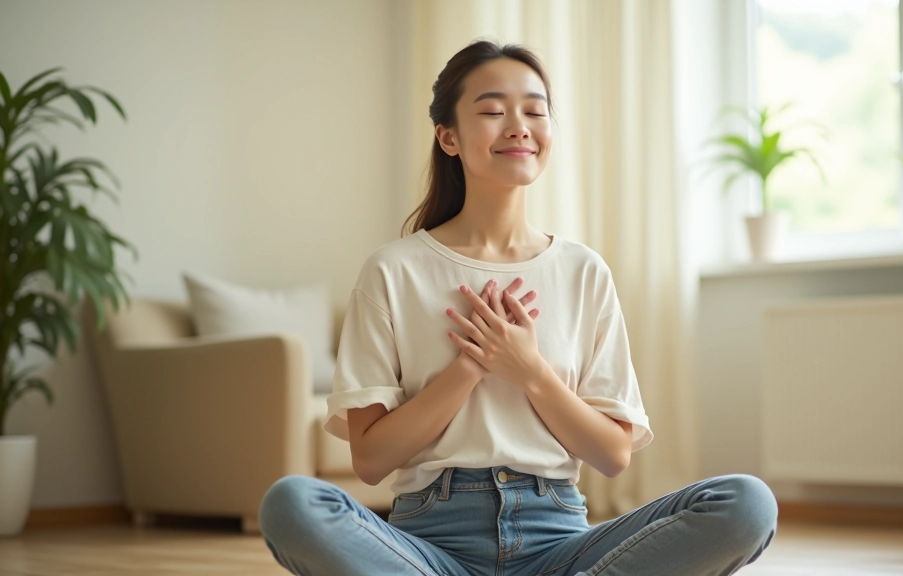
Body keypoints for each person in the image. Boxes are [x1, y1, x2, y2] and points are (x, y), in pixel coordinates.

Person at [258, 39, 777, 576]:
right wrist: (468, 369)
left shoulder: (583, 271)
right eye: (491, 110)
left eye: (534, 110)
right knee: (293, 503)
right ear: (449, 136)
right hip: (430, 548)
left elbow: (612, 455)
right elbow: (368, 461)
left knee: (745, 503)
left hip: (559, 545)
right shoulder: (393, 270)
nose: (518, 125)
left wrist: (530, 371)